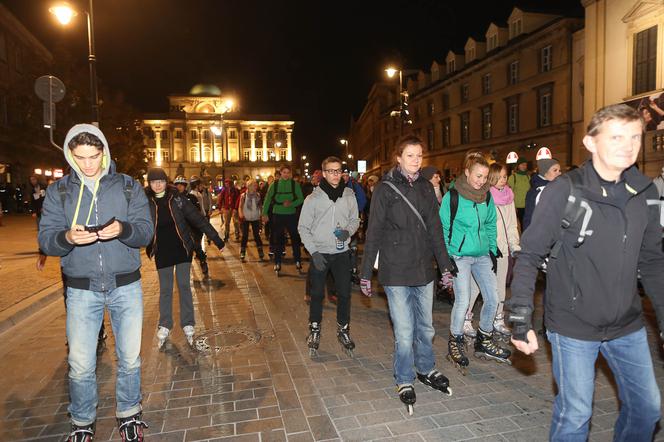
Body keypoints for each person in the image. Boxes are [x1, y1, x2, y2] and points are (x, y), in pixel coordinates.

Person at [508, 104, 664, 441]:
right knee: (576, 414)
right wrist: (521, 320)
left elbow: (652, 261)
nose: (628, 145)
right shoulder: (564, 190)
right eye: (617, 137)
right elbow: (530, 253)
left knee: (648, 408)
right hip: (573, 324)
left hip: (627, 324)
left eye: (635, 137)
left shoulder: (646, 193)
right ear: (590, 142)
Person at [38, 124, 153, 441]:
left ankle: (129, 414)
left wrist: (124, 230)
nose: (88, 165)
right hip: (81, 289)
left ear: (104, 152)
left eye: (94, 156)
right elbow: (47, 240)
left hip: (126, 287)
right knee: (81, 363)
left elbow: (145, 232)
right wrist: (67, 238)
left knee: (130, 358)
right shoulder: (59, 191)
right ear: (70, 156)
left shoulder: (128, 187)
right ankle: (82, 421)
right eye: (80, 157)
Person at [360, 135, 455, 414]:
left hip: (424, 267)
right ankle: (404, 378)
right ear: (398, 158)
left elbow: (435, 229)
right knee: (404, 331)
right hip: (396, 270)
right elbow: (374, 230)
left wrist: (445, 266)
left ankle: (425, 368)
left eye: (419, 155)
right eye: (410, 155)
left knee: (426, 327)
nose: (416, 160)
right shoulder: (385, 189)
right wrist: (366, 272)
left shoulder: (426, 187)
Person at [441, 151, 511, 373]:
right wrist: (448, 256)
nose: (481, 181)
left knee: (493, 297)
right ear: (467, 173)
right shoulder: (452, 197)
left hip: (481, 255)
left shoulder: (487, 196)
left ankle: (485, 339)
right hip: (460, 256)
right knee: (462, 300)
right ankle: (455, 341)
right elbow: (443, 228)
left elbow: (491, 223)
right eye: (477, 176)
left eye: (484, 177)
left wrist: (491, 249)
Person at [145, 168, 224, 349]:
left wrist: (217, 239)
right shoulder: (145, 202)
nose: (158, 185)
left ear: (166, 182)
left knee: (183, 285)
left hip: (182, 248)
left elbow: (198, 219)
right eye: (154, 182)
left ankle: (188, 323)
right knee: (165, 289)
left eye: (161, 181)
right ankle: (165, 324)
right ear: (149, 184)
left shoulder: (177, 199)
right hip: (162, 251)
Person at [298, 156, 360, 356]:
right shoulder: (313, 198)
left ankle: (343, 330)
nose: (336, 175)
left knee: (344, 294)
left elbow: (355, 220)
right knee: (317, 295)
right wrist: (313, 252)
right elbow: (303, 228)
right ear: (323, 173)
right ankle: (314, 330)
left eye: (339, 170)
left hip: (341, 253)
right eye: (331, 171)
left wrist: (348, 232)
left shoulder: (349, 195)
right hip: (320, 253)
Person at [463, 162, 520, 338]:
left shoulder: (509, 197)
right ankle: (465, 318)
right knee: (476, 287)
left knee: (500, 286)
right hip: (485, 250)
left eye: (505, 177)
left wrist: (514, 245)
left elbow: (511, 224)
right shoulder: (483, 196)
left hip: (502, 250)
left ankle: (498, 318)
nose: (504, 180)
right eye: (500, 176)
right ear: (492, 177)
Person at [261, 164, 304, 274]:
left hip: (291, 214)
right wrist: (264, 213)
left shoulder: (295, 185)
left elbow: (300, 199)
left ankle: (298, 259)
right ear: (280, 173)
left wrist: (291, 203)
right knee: (278, 239)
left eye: (288, 172)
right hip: (277, 214)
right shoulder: (274, 185)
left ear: (290, 173)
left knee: (295, 237)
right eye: (284, 172)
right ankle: (277, 261)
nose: (286, 175)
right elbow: (267, 199)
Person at [522, 157, 562, 231]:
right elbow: (529, 217)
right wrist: (528, 236)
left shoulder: (558, 187)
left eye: (559, 170)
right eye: (555, 170)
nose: (559, 173)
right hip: (541, 233)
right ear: (545, 172)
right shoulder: (534, 192)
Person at [238, 179, 264, 261]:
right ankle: (242, 252)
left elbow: (260, 206)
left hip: (255, 217)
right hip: (246, 218)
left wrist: (262, 214)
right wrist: (241, 214)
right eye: (254, 185)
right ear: (249, 186)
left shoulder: (258, 195)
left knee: (256, 235)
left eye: (256, 185)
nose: (256, 187)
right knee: (245, 235)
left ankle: (260, 251)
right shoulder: (243, 196)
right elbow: (240, 206)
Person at [507, 157, 530, 227]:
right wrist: (512, 206)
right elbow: (508, 193)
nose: (524, 166)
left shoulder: (528, 177)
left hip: (527, 206)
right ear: (518, 165)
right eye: (522, 164)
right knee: (519, 225)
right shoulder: (513, 177)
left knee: (527, 224)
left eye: (525, 164)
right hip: (517, 207)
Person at [217, 178, 240, 242]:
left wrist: (236, 208)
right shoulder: (224, 190)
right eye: (226, 183)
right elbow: (220, 199)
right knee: (227, 223)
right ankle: (226, 235)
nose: (227, 184)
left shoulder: (235, 190)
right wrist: (220, 207)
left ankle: (237, 234)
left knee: (236, 222)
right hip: (227, 208)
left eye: (228, 183)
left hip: (234, 208)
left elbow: (238, 199)